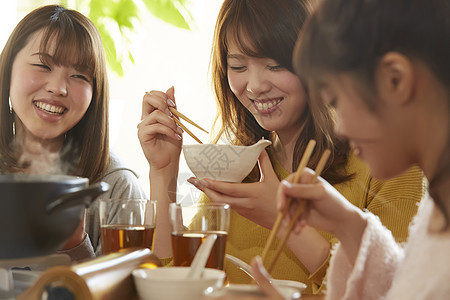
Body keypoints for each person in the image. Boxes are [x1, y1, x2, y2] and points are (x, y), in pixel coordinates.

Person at [138, 0, 423, 294]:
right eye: (238, 66)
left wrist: (284, 222)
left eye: (274, 64)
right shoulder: (236, 166)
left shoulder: (389, 163)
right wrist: (163, 171)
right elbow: (174, 285)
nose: (255, 85)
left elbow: (396, 289)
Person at [225, 0, 450, 299]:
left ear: (395, 79)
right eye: (238, 66)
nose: (340, 127)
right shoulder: (437, 207)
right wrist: (349, 225)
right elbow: (404, 287)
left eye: (337, 101)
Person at [0, 5, 146, 262]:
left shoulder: (116, 186)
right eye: (42, 66)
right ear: (8, 67)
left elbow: (125, 290)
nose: (58, 88)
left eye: (79, 75)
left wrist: (75, 245)